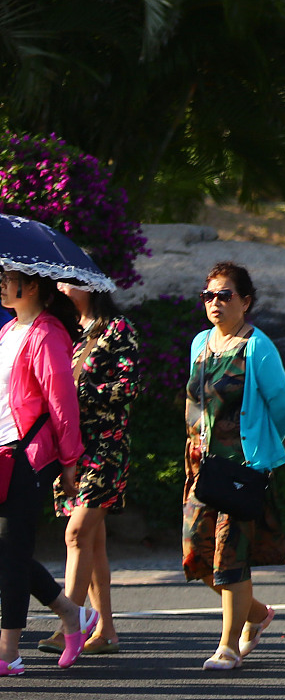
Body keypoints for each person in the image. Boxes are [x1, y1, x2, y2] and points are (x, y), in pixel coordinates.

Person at [181, 262, 285, 671]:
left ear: (245, 302)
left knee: (230, 558)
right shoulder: (199, 343)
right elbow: (196, 401)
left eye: (225, 295)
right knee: (197, 556)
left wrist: (262, 447)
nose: (215, 303)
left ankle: (227, 646)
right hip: (201, 467)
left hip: (243, 468)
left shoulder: (257, 345)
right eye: (208, 295)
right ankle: (259, 613)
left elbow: (283, 405)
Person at [0, 269, 88, 675]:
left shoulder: (47, 333)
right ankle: (70, 612)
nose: (0, 284)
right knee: (7, 551)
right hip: (2, 451)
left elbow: (62, 402)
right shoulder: (9, 332)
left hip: (27, 456)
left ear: (32, 286)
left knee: (12, 553)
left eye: (7, 277)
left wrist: (69, 461)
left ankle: (8, 652)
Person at [48, 280, 135, 658]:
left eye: (68, 281)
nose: (60, 287)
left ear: (90, 285)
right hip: (72, 448)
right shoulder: (68, 331)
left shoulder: (118, 328)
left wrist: (78, 389)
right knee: (93, 542)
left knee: (77, 534)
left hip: (107, 446)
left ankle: (69, 623)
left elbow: (128, 387)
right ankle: (107, 631)